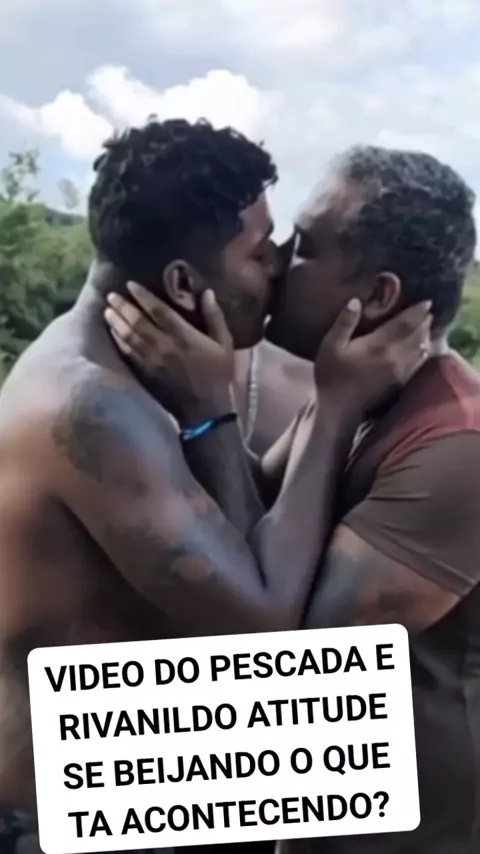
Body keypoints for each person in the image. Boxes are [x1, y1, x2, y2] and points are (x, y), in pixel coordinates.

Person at [0, 116, 428, 854]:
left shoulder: (137, 372)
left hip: (136, 779)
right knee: (361, 732)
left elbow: (242, 536)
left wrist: (214, 412)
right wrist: (332, 412)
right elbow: (264, 639)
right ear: (182, 282)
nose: (281, 266)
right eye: (260, 252)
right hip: (66, 818)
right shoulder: (91, 406)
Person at [106, 144, 480, 854]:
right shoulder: (362, 390)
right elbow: (256, 517)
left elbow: (286, 665)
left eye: (304, 246)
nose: (277, 259)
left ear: (377, 297)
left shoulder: (457, 446)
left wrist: (211, 409)